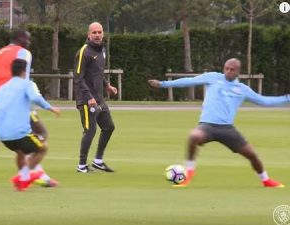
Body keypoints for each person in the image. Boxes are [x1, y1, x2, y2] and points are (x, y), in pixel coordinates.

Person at [148, 58, 290, 188]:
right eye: (226, 68)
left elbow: (265, 101)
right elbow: (188, 81)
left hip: (227, 129)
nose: (228, 71)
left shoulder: (243, 89)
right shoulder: (213, 77)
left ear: (238, 72)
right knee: (193, 136)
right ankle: (189, 171)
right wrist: (163, 84)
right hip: (207, 126)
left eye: (232, 69)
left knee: (252, 154)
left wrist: (287, 98)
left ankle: (266, 180)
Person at [0, 29, 57, 187]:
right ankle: (33, 173)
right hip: (13, 101)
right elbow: (24, 81)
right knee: (41, 133)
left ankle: (32, 173)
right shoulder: (23, 53)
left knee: (21, 144)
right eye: (27, 39)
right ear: (21, 40)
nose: (29, 43)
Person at [0, 58, 61, 191]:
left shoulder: (2, 89)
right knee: (43, 147)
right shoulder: (26, 84)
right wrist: (51, 108)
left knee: (21, 151)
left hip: (5, 138)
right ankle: (25, 177)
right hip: (20, 135)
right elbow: (35, 98)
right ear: (24, 70)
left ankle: (25, 180)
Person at [73, 22, 118, 173]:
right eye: (94, 32)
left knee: (109, 127)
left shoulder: (101, 51)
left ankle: (98, 161)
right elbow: (78, 78)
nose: (97, 35)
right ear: (89, 35)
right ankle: (81, 165)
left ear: (103, 34)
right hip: (87, 100)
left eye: (100, 32)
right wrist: (89, 97)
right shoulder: (84, 52)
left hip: (99, 98)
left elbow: (98, 72)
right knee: (90, 130)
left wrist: (107, 86)